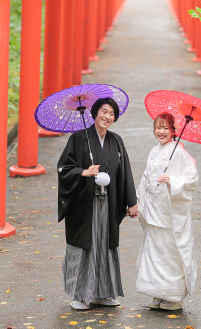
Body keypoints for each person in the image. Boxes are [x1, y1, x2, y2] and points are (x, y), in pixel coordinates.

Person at [57, 97, 139, 310]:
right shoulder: (78, 138)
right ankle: (79, 294)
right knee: (86, 246)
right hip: (84, 204)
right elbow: (64, 168)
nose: (107, 117)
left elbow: (125, 172)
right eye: (104, 111)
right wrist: (83, 172)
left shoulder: (116, 140)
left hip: (109, 203)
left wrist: (131, 201)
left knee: (105, 244)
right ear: (94, 113)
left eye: (112, 113)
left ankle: (104, 293)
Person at [135, 113, 198, 311]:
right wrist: (137, 202)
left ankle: (174, 295)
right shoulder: (154, 151)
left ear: (173, 131)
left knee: (170, 252)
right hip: (154, 209)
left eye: (165, 128)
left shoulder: (179, 153)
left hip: (170, 211)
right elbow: (146, 178)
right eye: (158, 127)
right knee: (154, 251)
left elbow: (192, 178)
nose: (161, 131)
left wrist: (173, 181)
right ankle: (157, 292)